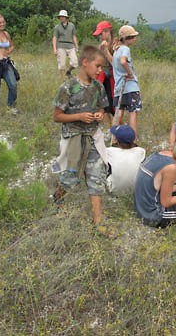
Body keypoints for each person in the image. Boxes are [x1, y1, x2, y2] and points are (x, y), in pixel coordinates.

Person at [52, 45, 110, 226]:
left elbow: (102, 106)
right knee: (70, 177)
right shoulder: (68, 87)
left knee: (96, 176)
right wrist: (78, 116)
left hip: (93, 136)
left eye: (102, 67)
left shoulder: (98, 87)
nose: (100, 70)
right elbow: (57, 116)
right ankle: (57, 198)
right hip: (74, 137)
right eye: (98, 66)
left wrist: (99, 114)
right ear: (85, 63)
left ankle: (98, 222)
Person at [112, 25, 142, 135]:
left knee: (118, 114)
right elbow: (123, 61)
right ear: (127, 38)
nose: (135, 39)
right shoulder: (125, 49)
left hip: (119, 88)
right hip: (130, 87)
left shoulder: (116, 49)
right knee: (133, 113)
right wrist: (130, 74)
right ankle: (132, 140)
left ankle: (115, 137)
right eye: (133, 36)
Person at [106, 125, 146, 194]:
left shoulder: (109, 151)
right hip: (136, 189)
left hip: (114, 190)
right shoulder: (140, 151)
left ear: (116, 140)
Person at [93, 20, 117, 127]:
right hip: (104, 77)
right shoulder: (102, 44)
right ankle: (109, 129)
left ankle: (120, 130)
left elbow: (115, 63)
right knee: (105, 106)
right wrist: (100, 50)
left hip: (114, 78)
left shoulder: (116, 44)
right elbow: (96, 60)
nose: (100, 37)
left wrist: (106, 50)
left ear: (108, 32)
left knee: (114, 108)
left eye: (101, 34)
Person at [52, 10, 79, 79]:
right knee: (62, 65)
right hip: (61, 45)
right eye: (60, 17)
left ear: (66, 17)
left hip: (70, 45)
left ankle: (69, 71)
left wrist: (76, 46)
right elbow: (55, 38)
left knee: (75, 62)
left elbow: (74, 36)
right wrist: (55, 49)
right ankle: (63, 80)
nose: (61, 18)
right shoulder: (57, 27)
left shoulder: (72, 26)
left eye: (63, 16)